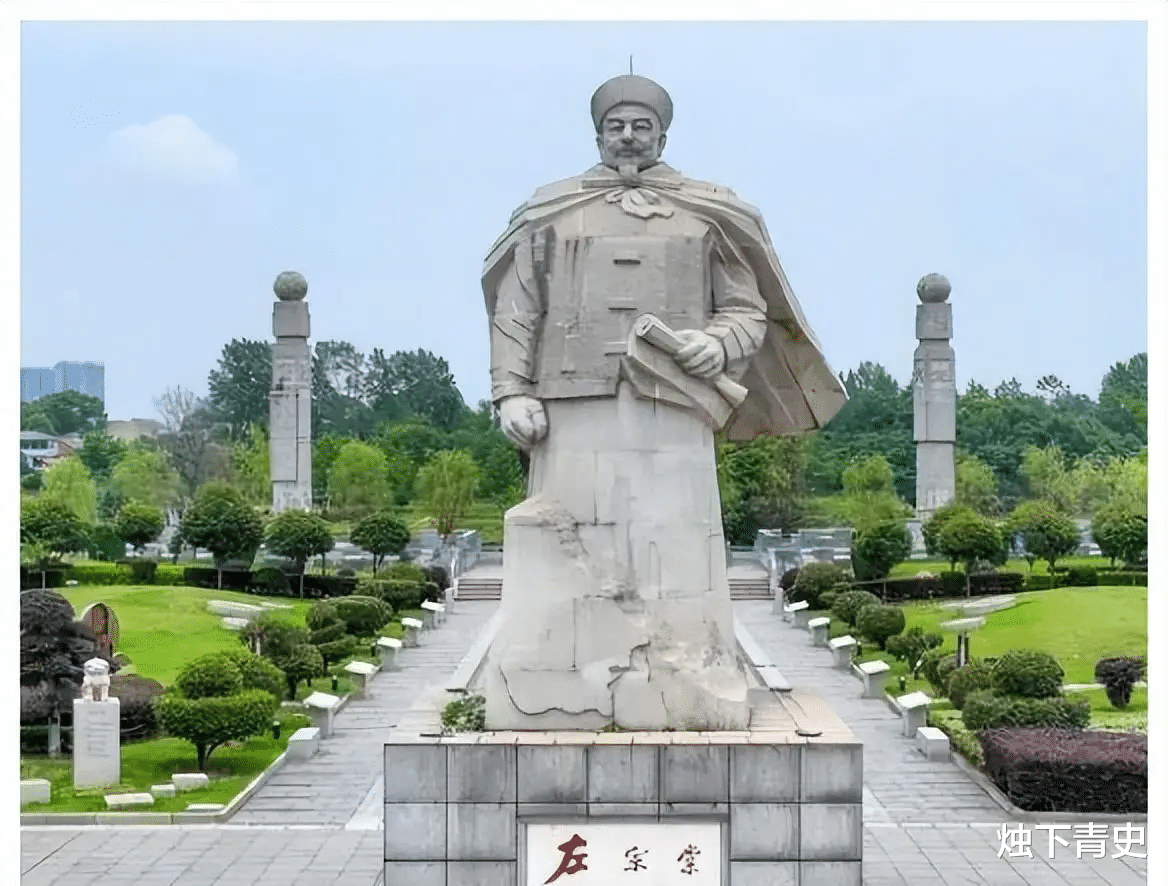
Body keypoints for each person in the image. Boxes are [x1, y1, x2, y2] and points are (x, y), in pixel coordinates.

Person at [480, 74, 845, 731]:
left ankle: (690, 681)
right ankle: (561, 688)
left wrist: (717, 343)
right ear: (598, 135)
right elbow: (517, 309)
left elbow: (746, 309)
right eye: (616, 126)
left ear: (663, 136)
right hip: (571, 405)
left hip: (675, 404)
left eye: (641, 126)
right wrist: (510, 391)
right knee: (567, 553)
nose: (628, 136)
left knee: (677, 554)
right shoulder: (549, 211)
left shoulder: (708, 212)